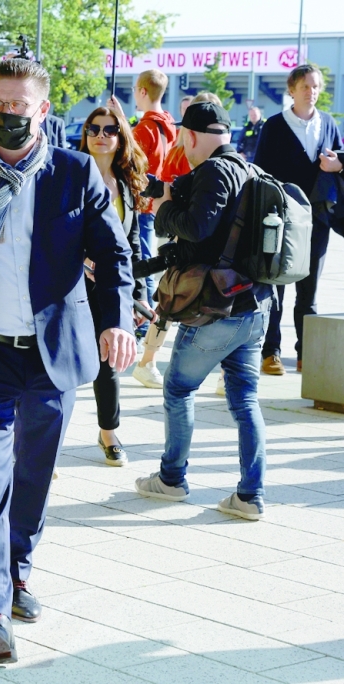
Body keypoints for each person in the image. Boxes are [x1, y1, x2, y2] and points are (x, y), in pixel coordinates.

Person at [0, 59, 136, 660]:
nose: (6, 114)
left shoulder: (74, 172)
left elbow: (114, 254)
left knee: (34, 475)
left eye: (18, 105)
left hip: (51, 355)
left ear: (42, 110)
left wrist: (116, 319)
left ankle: (17, 573)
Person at [135, 101, 274, 521]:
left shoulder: (214, 171)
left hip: (217, 309)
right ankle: (250, 495)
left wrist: (163, 208)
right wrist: (169, 192)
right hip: (256, 308)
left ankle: (171, 479)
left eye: (183, 138)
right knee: (245, 400)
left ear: (192, 136)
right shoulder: (250, 169)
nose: (182, 145)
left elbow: (197, 227)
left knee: (178, 389)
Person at [130, 92, 223, 391]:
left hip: (185, 236)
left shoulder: (184, 150)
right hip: (189, 238)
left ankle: (148, 361)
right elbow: (171, 189)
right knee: (175, 301)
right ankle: (148, 362)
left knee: (172, 301)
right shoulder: (185, 152)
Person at [253, 64, 343, 375]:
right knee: (275, 285)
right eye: (305, 86)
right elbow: (259, 172)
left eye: (315, 86)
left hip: (317, 220)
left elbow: (339, 160)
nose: (311, 92)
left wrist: (338, 166)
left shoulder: (328, 123)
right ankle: (271, 352)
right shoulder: (275, 126)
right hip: (280, 219)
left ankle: (307, 353)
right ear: (292, 90)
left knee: (309, 289)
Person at [78, 106, 150, 466]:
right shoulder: (72, 175)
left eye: (109, 130)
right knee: (59, 363)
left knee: (109, 361)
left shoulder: (125, 183)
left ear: (120, 137)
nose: (100, 136)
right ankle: (42, 441)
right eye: (93, 129)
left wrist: (138, 296)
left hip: (109, 289)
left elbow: (132, 245)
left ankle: (108, 431)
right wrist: (82, 260)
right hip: (73, 287)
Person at [131, 69, 178, 326]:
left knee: (143, 263)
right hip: (160, 202)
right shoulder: (168, 125)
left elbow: (131, 165)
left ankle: (147, 318)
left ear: (142, 91)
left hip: (142, 202)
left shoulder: (145, 129)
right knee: (149, 260)